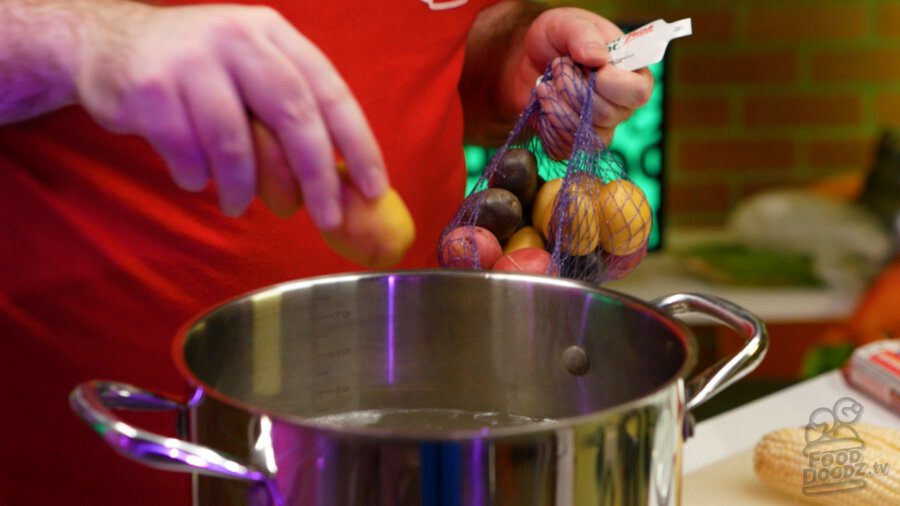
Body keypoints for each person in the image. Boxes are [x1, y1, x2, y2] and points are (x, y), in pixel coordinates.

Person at [0, 0, 652, 504]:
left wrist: (508, 64)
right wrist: (84, 38)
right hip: (102, 458)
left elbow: (444, 46)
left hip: (412, 452)